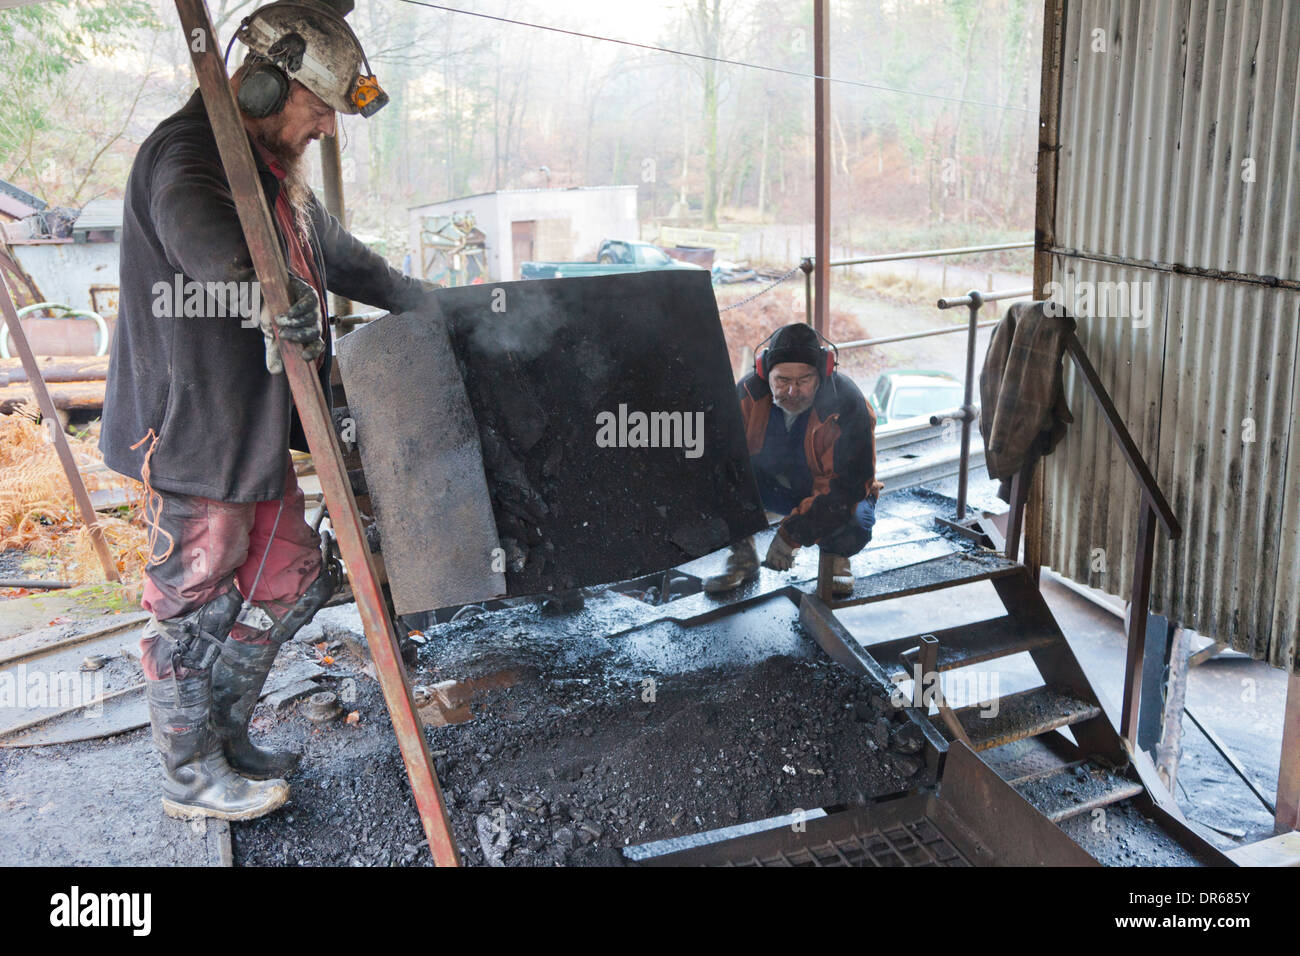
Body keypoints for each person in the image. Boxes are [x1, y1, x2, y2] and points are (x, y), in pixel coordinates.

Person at [100, 3, 428, 821]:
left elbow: (343, 257)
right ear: (258, 85)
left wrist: (433, 303)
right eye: (316, 109)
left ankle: (221, 734)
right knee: (196, 599)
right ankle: (188, 777)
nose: (323, 127)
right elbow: (200, 240)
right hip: (194, 429)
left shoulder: (275, 172)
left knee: (292, 577)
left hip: (253, 429)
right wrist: (263, 294)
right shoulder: (189, 155)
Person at [705, 323, 882, 598]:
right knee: (720, 478)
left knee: (855, 521)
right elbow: (724, 457)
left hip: (834, 494)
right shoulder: (749, 394)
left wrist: (790, 536)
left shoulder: (847, 403)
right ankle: (743, 557)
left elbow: (847, 488)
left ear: (822, 374)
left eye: (803, 381)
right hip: (779, 485)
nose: (791, 392)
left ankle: (837, 560)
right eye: (782, 381)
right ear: (766, 374)